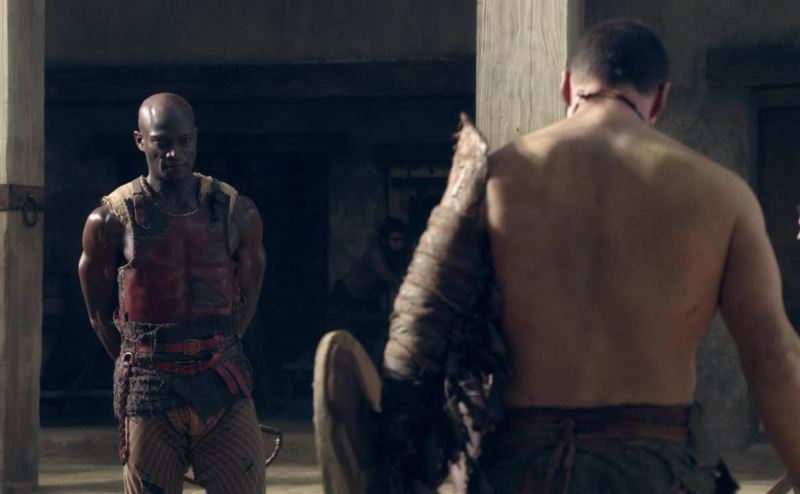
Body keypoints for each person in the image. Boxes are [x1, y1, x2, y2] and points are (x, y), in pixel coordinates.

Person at [380, 19, 800, 493]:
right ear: (661, 98)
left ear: (566, 86)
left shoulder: (494, 178)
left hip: (519, 467)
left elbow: (423, 329)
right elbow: (770, 354)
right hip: (657, 470)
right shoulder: (723, 193)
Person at [78, 93, 267, 494]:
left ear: (195, 138)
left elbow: (250, 294)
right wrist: (138, 361)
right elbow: (98, 313)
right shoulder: (110, 219)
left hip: (222, 379)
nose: (174, 153)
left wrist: (222, 346)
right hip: (149, 384)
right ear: (139, 140)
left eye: (184, 141)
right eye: (162, 142)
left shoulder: (236, 211)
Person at [328, 218, 410, 359]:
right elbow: (393, 280)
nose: (400, 244)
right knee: (344, 342)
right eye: (395, 240)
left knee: (373, 339)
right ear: (384, 241)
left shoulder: (397, 256)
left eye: (402, 240)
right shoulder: (375, 255)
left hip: (368, 301)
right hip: (347, 297)